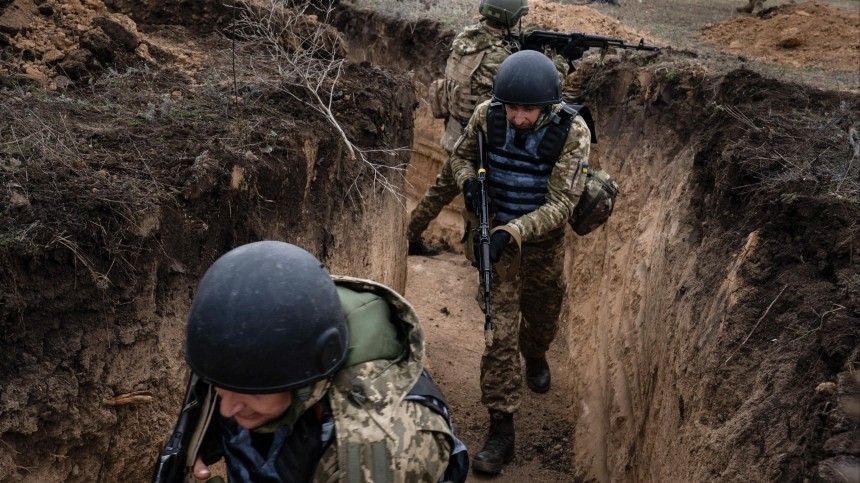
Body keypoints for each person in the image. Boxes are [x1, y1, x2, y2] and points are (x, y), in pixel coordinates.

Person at [180, 240, 468, 482]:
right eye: (219, 388)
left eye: (250, 392)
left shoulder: (380, 453)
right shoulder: (255, 340)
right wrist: (203, 438)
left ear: (307, 375)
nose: (227, 408)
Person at [448, 50, 592, 474]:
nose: (518, 118)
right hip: (497, 247)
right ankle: (501, 430)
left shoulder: (573, 131)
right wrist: (468, 185)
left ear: (547, 106)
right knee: (499, 333)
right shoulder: (486, 116)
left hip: (541, 246)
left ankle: (538, 352)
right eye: (512, 107)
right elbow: (458, 157)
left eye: (528, 110)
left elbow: (563, 203)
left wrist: (513, 233)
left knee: (543, 318)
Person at [409, 0, 577, 256]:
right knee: (480, 198)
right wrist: (561, 61)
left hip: (456, 129)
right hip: (485, 137)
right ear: (511, 19)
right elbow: (533, 90)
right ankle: (479, 249)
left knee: (439, 191)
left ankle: (410, 234)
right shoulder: (500, 57)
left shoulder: (467, 39)